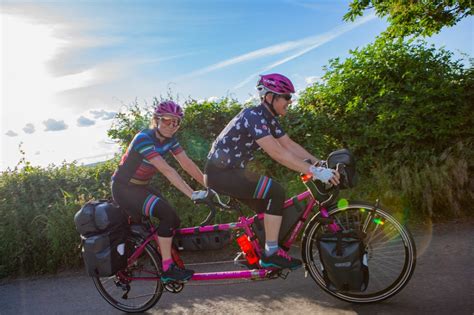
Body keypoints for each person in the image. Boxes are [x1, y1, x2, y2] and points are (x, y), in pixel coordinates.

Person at [204, 73, 340, 270]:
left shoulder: (269, 119)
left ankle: (252, 252)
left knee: (270, 210)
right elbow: (278, 153)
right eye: (285, 96)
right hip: (220, 174)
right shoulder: (254, 116)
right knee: (275, 192)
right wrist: (314, 171)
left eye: (290, 97)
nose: (289, 101)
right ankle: (271, 253)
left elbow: (289, 145)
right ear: (269, 97)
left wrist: (319, 163)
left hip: (231, 172)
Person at [111, 100, 208, 283]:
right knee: (167, 216)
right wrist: (192, 194)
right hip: (124, 189)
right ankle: (167, 269)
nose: (171, 125)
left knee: (174, 219)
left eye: (176, 122)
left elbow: (186, 164)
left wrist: (209, 186)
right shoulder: (143, 138)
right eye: (167, 120)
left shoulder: (170, 140)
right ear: (156, 120)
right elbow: (167, 170)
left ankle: (161, 252)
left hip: (140, 186)